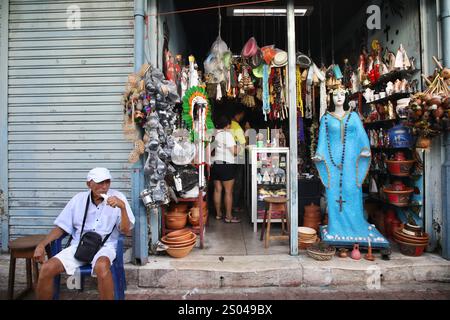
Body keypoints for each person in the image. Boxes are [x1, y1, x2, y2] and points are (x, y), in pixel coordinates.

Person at [33, 167, 135, 300]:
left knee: (102, 266)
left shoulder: (118, 197)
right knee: (47, 268)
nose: (104, 187)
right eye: (100, 183)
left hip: (106, 247)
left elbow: (126, 231)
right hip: (80, 246)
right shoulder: (78, 199)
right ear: (89, 184)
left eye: (107, 182)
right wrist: (42, 245)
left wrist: (122, 208)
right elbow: (61, 227)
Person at [313, 87, 388, 248]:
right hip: (332, 164)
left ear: (346, 97)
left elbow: (362, 136)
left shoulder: (353, 117)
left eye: (342, 94)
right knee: (333, 194)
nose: (339, 97)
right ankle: (336, 227)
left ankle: (355, 225)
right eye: (335, 95)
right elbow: (322, 141)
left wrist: (365, 150)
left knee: (352, 190)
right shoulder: (326, 119)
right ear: (330, 98)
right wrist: (319, 155)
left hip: (351, 163)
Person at [211, 115, 241, 223]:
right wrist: (240, 146)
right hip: (226, 164)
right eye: (229, 125)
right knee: (228, 191)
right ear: (227, 125)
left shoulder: (214, 134)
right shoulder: (227, 135)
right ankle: (228, 216)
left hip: (215, 164)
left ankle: (218, 214)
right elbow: (235, 152)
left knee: (217, 190)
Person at [230, 104, 247, 213]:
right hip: (238, 158)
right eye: (242, 115)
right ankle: (234, 205)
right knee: (237, 182)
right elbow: (244, 143)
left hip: (228, 159)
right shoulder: (236, 127)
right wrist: (248, 131)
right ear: (239, 114)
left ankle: (228, 205)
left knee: (229, 183)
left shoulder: (228, 125)